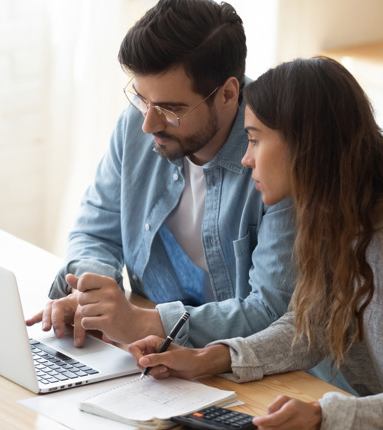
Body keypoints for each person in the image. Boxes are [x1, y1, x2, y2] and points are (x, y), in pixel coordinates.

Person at [129, 56, 383, 429]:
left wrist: (325, 415)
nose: (247, 158)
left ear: (306, 144)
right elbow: (312, 327)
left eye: (255, 139)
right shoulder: (334, 216)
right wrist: (208, 358)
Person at [25, 0, 299, 352]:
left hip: (244, 369)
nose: (148, 124)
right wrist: (92, 296)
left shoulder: (280, 153)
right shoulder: (139, 121)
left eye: (171, 109)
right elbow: (97, 229)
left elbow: (272, 312)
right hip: (149, 356)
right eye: (141, 99)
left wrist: (142, 322)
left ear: (228, 94)